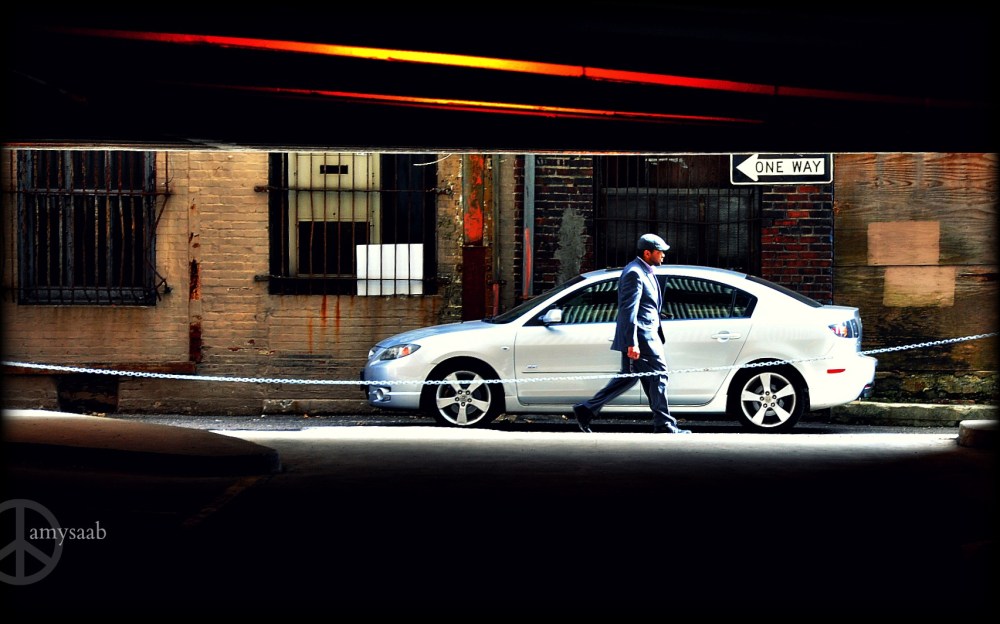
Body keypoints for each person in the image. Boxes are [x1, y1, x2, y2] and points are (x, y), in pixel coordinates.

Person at [572, 233, 691, 434]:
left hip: (646, 333)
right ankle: (664, 424)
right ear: (647, 253)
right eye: (660, 251)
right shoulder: (634, 273)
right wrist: (632, 343)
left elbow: (645, 304)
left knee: (630, 377)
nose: (663, 255)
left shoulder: (646, 270)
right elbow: (629, 311)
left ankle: (586, 410)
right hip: (642, 336)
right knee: (659, 375)